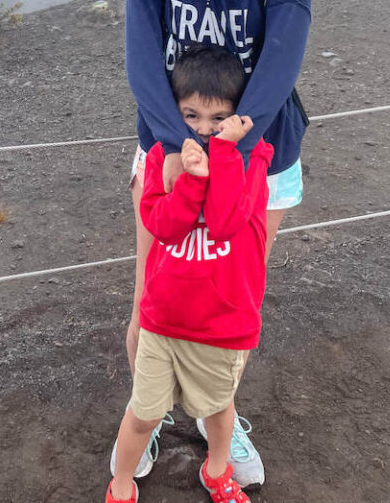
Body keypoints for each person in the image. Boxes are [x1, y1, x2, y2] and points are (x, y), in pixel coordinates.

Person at [121, 0, 312, 486]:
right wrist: (179, 147)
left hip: (261, 159)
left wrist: (232, 140)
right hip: (171, 159)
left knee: (229, 307)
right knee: (151, 299)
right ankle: (140, 419)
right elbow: (143, 60)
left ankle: (218, 425)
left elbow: (284, 50)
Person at [106, 44, 274, 503]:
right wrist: (193, 178)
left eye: (218, 118)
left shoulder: (254, 161)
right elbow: (162, 225)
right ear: (174, 112)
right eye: (191, 115)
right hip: (163, 323)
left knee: (220, 411)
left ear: (238, 115)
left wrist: (220, 155)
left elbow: (224, 221)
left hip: (221, 328)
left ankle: (216, 471)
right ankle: (120, 486)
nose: (202, 128)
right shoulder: (164, 158)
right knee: (142, 413)